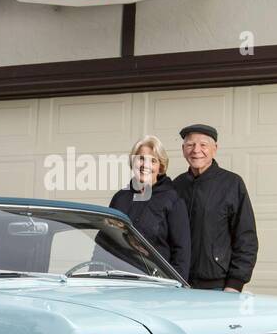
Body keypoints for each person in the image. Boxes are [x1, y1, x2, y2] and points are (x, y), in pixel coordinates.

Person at [172, 124, 257, 291]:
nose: (196, 150)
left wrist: (235, 284)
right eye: (190, 145)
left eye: (203, 145)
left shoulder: (232, 184)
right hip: (179, 285)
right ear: (183, 149)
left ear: (214, 149)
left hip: (218, 286)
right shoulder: (176, 186)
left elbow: (246, 238)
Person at [108, 135, 191, 280]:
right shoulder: (119, 198)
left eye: (153, 161)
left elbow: (182, 253)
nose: (145, 165)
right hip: (118, 282)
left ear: (160, 167)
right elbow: (104, 241)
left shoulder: (172, 200)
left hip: (155, 286)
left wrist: (177, 287)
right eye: (141, 158)